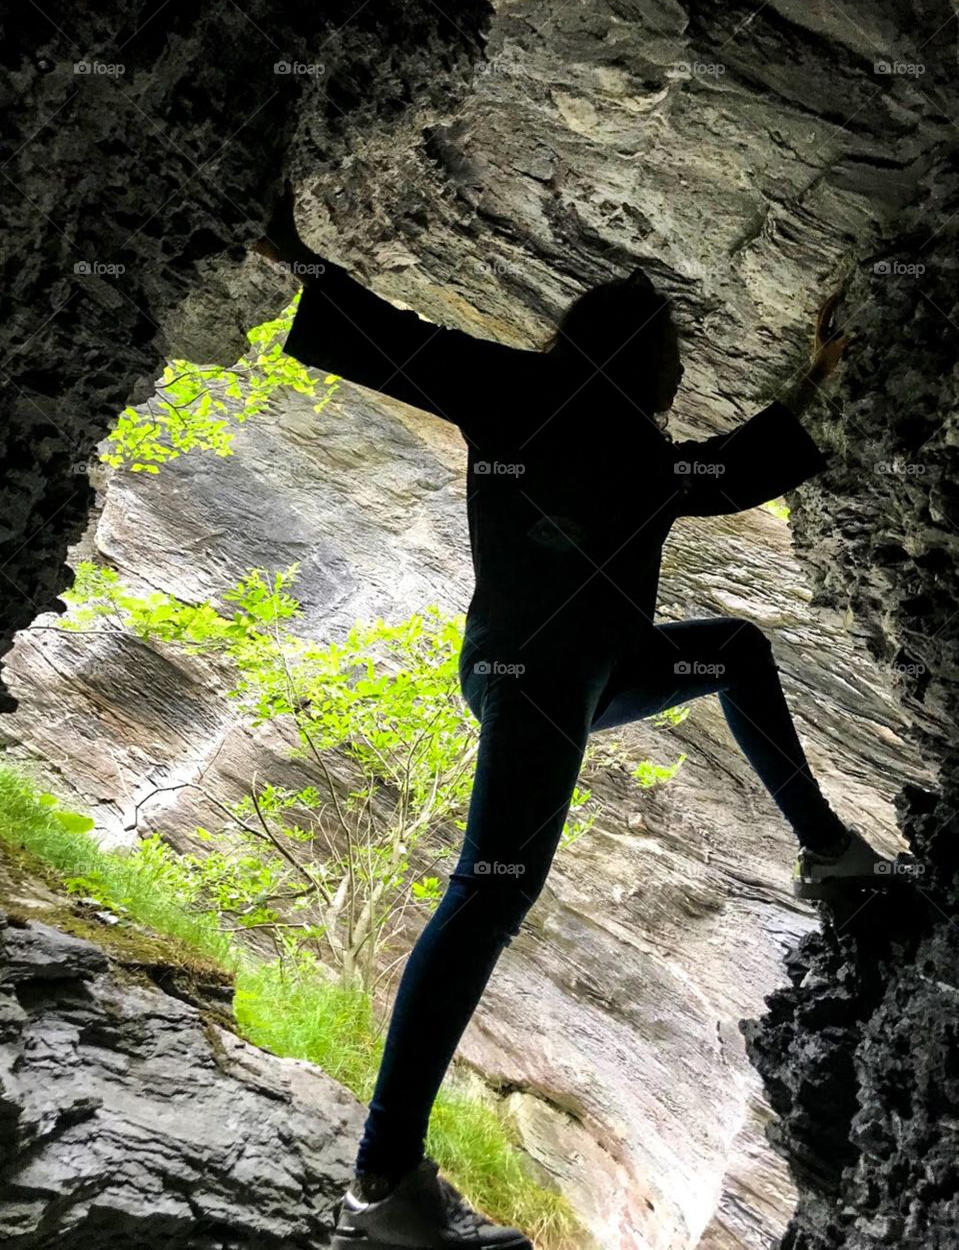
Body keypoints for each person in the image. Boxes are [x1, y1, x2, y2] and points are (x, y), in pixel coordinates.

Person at [254, 181, 893, 1249]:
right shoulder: (586, 423)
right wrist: (813, 377)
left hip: (570, 674)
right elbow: (733, 467)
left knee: (732, 649)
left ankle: (829, 853)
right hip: (543, 686)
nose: (682, 368)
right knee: (487, 895)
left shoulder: (548, 406)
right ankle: (379, 1183)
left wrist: (295, 254)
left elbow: (389, 338)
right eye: (674, 350)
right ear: (648, 357)